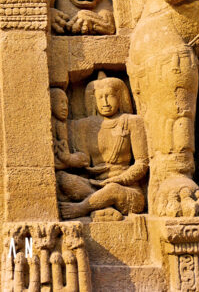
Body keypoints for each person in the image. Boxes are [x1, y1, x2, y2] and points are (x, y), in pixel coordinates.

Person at [58, 76, 148, 220]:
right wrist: (68, 159)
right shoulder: (87, 125)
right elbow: (83, 160)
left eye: (110, 96)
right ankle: (102, 206)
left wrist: (119, 179)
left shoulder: (132, 122)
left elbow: (142, 164)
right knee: (62, 178)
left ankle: (82, 208)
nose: (105, 102)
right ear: (94, 101)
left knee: (112, 190)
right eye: (100, 98)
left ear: (119, 97)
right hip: (95, 186)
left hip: (126, 190)